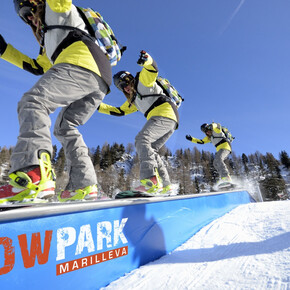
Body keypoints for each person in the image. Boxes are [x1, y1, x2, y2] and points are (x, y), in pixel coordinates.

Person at [0, 0, 111, 203]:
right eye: (27, 18)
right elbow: (37, 67)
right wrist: (4, 50)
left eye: (31, 12)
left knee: (33, 101)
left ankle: (32, 175)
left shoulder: (57, 7)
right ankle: (84, 185)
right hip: (100, 79)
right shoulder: (49, 40)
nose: (32, 19)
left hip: (81, 64)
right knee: (64, 127)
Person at [98, 50, 179, 194]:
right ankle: (166, 185)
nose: (125, 87)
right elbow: (119, 111)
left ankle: (149, 180)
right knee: (151, 150)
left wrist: (147, 59)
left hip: (164, 114)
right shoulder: (134, 101)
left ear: (130, 79)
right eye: (121, 87)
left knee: (142, 139)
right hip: (169, 121)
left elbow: (152, 68)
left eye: (126, 83)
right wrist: (97, 105)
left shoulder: (143, 81)